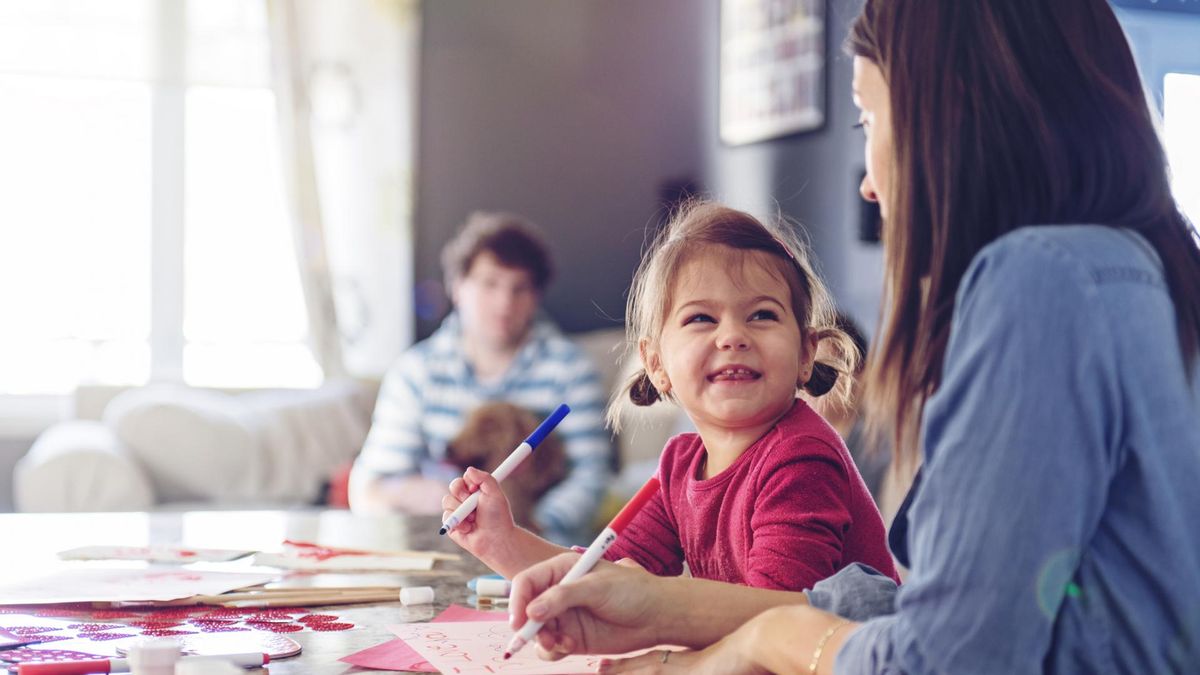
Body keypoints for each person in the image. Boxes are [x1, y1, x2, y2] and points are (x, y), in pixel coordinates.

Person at [505, 1, 1200, 672]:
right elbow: (956, 617)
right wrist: (663, 610)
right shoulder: (1137, 271)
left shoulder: (1042, 283)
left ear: (954, 116)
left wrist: (756, 640)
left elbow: (947, 658)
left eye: (869, 117)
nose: (868, 183)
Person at [441, 201, 898, 591]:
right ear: (656, 365)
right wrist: (501, 541)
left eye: (762, 315)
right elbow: (603, 578)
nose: (732, 336)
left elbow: (780, 617)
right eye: (701, 318)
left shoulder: (802, 457)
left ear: (806, 353)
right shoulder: (680, 465)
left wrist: (665, 635)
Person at [348, 211, 611, 545]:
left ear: (536, 296)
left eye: (520, 288)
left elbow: (591, 476)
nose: (504, 302)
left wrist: (526, 532)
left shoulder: (571, 369)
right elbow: (371, 487)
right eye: (490, 283)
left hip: (540, 545)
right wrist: (434, 498)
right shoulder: (416, 372)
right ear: (458, 287)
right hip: (440, 543)